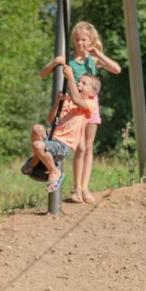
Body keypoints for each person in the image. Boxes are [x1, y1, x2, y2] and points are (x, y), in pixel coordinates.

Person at [40, 21, 121, 203]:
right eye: (77, 40)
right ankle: (77, 188)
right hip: (75, 108)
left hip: (91, 106)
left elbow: (116, 69)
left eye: (84, 40)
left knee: (89, 147)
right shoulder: (69, 61)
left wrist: (97, 53)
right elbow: (43, 73)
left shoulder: (93, 60)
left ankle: (85, 188)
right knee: (80, 147)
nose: (80, 43)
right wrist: (56, 62)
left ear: (91, 40)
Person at [24, 63, 100, 194]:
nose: (79, 84)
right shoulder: (68, 100)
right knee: (37, 128)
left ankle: (55, 172)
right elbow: (51, 119)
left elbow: (77, 101)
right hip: (51, 137)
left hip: (63, 144)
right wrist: (58, 103)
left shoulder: (90, 104)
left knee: (37, 145)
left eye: (84, 83)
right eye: (78, 81)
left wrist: (70, 77)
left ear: (93, 93)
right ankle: (36, 159)